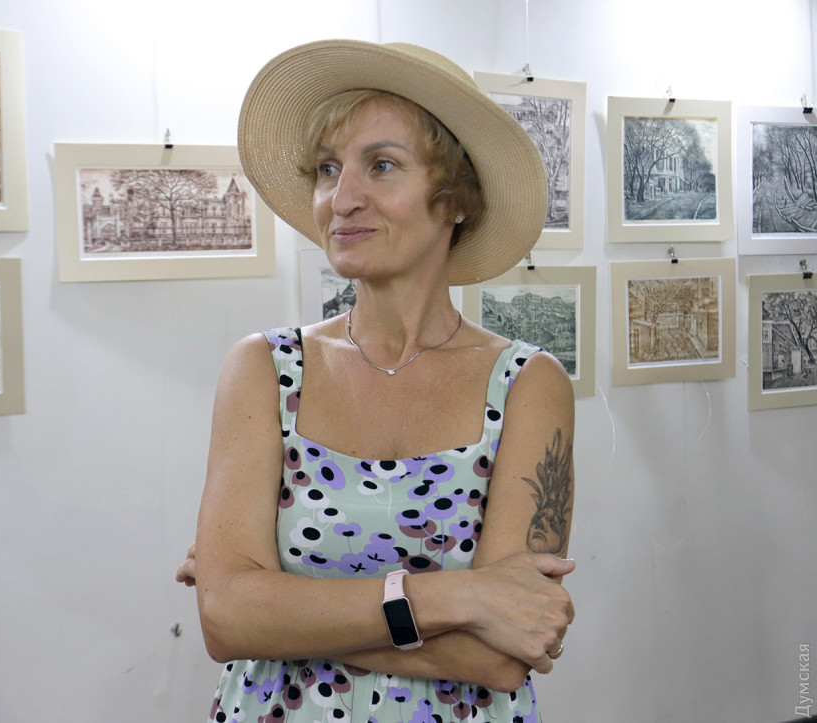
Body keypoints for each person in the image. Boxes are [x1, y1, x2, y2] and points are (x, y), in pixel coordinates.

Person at [175, 39, 576, 722]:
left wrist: (282, 609)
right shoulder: (266, 368)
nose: (341, 198)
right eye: (328, 169)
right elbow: (225, 620)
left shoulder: (526, 384)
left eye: (381, 166)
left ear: (455, 199)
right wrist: (458, 597)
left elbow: (501, 656)